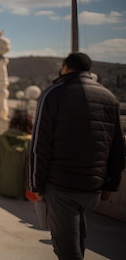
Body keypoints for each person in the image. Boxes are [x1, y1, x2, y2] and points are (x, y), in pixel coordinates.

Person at [28, 53, 125, 260]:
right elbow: (117, 147)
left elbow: (39, 146)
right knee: (77, 237)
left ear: (65, 67)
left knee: (66, 249)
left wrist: (36, 186)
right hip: (92, 188)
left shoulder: (54, 94)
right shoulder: (109, 97)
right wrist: (111, 184)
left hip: (62, 186)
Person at [0, 110, 33, 199]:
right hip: (20, 192)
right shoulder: (30, 143)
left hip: (1, 188)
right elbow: (30, 171)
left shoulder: (0, 140)